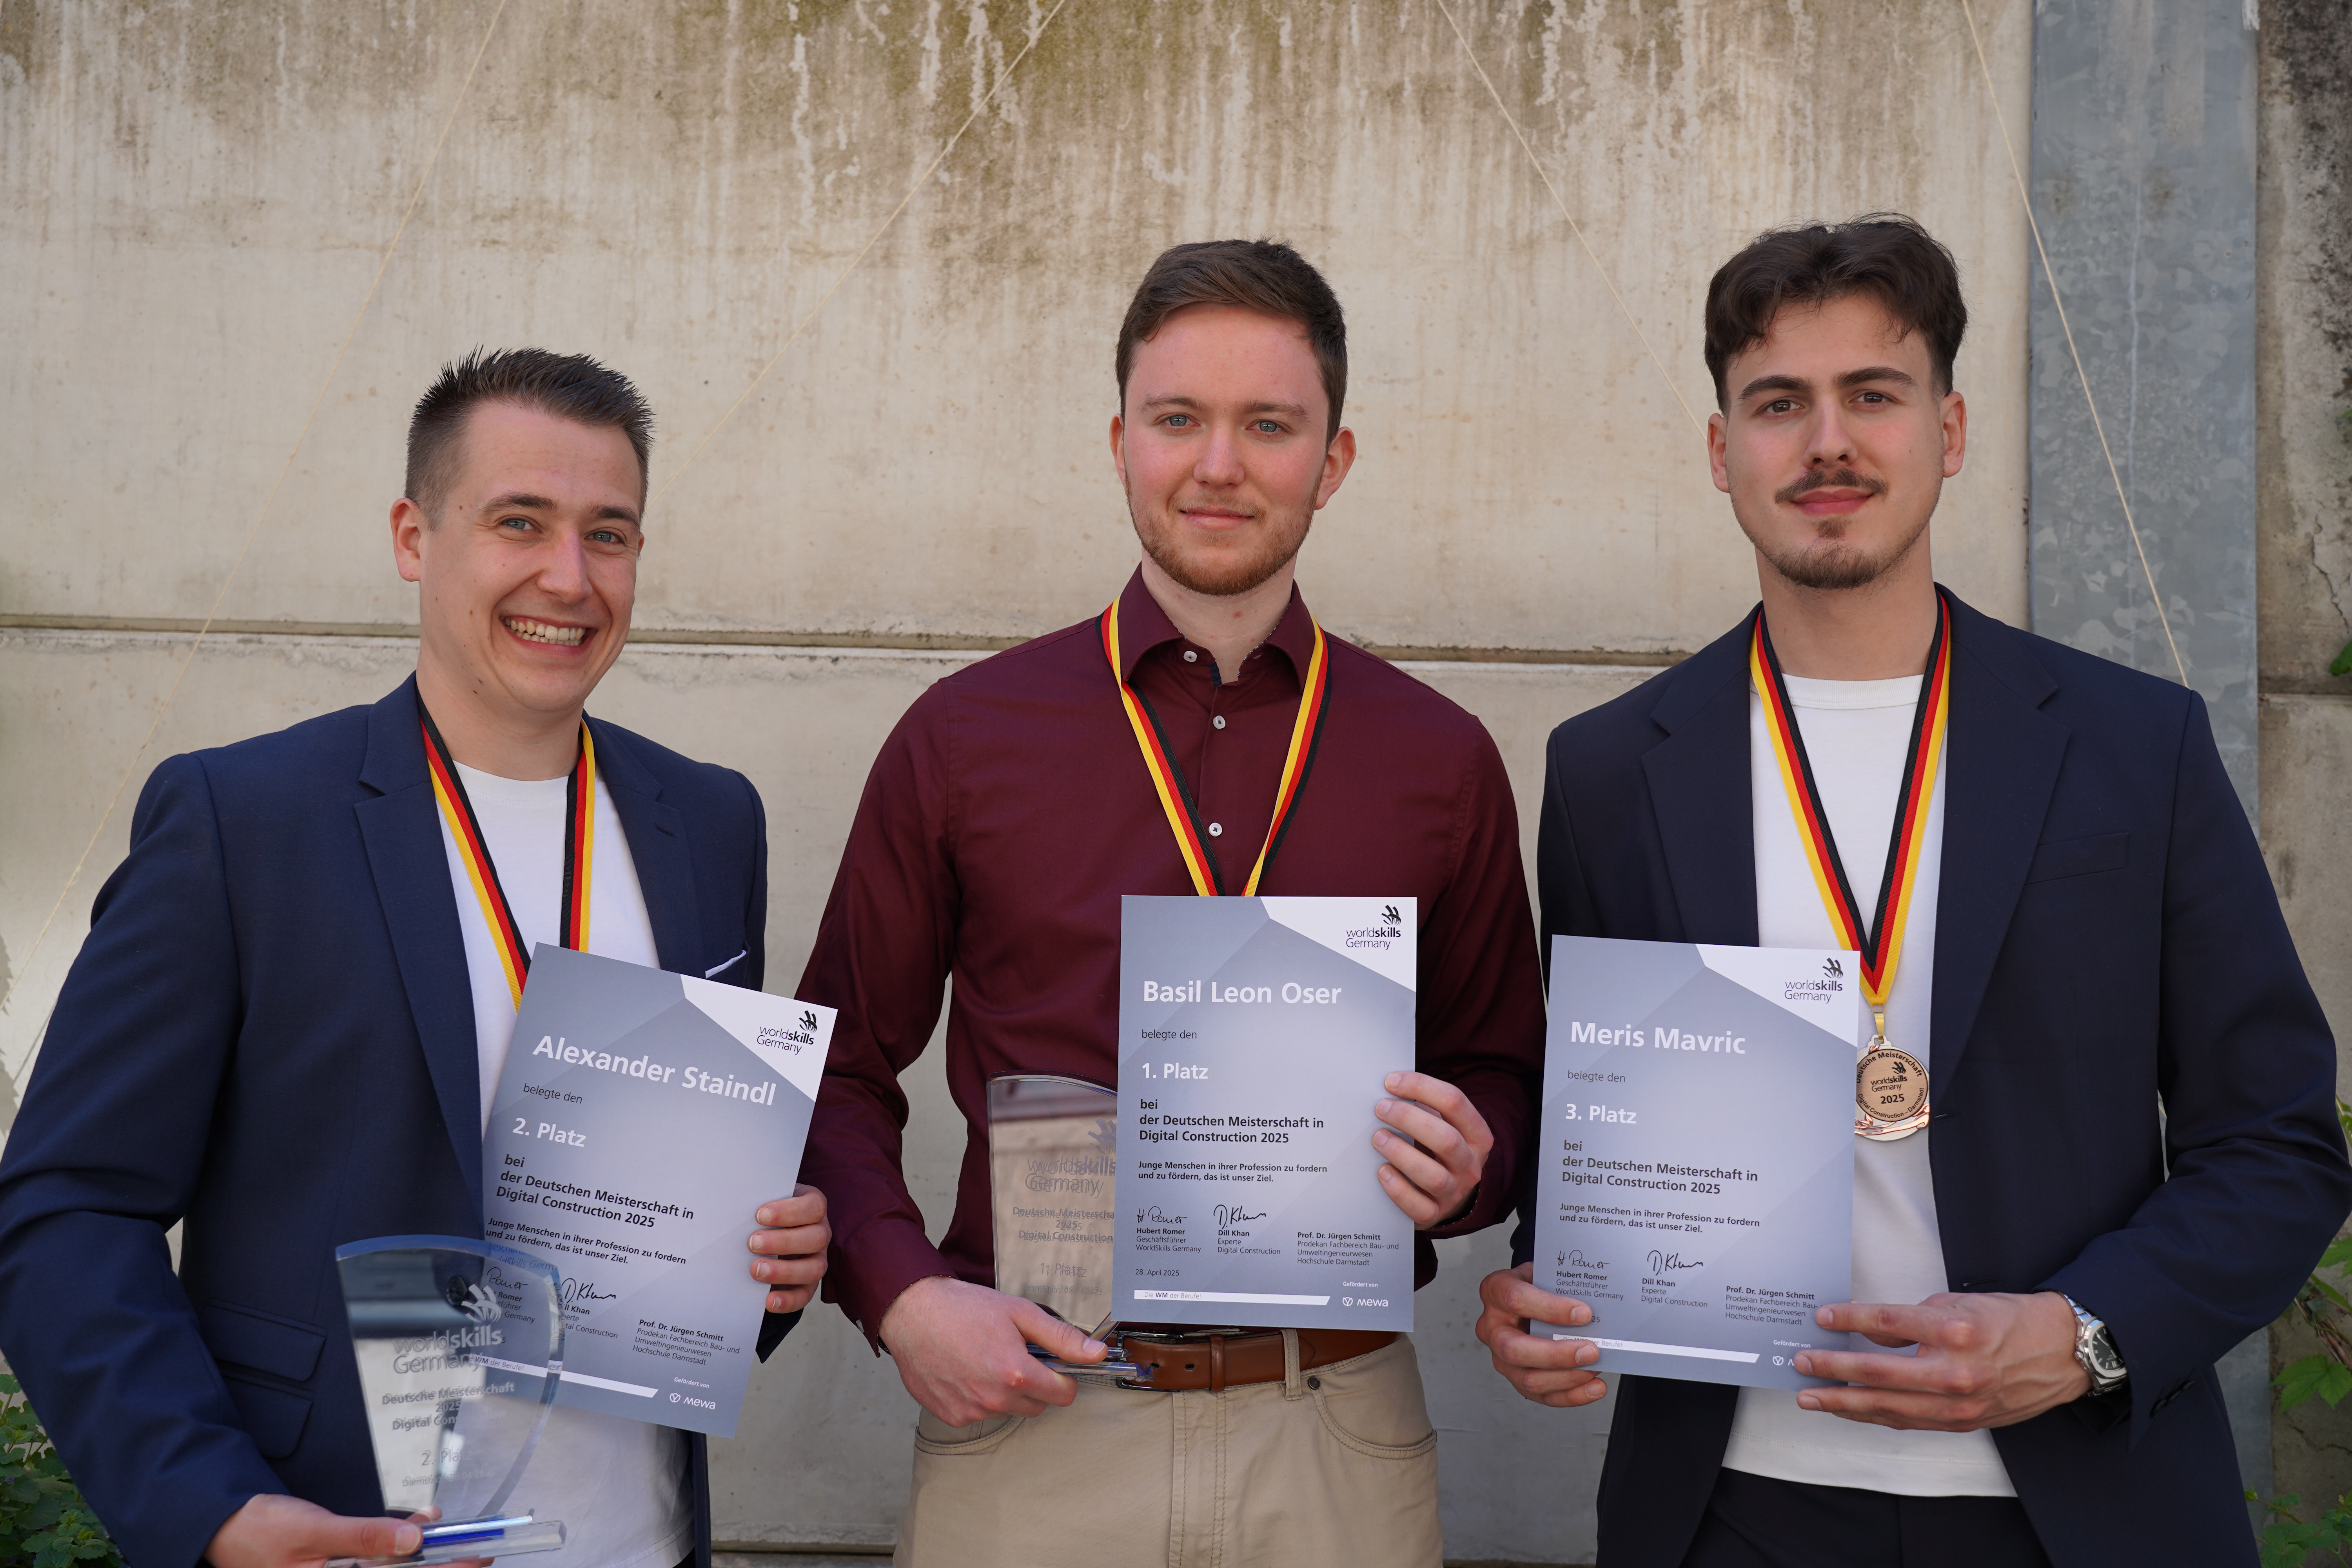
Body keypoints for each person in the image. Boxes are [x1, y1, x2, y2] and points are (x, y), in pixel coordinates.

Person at [1474, 215, 2352, 1567]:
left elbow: (2277, 1143)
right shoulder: (1610, 772)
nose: (1827, 443)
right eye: (1779, 403)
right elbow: (1607, 1136)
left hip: (2076, 1508)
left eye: (1872, 396)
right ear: (1721, 450)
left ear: (1949, 430)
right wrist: (1549, 1289)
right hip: (1727, 1512)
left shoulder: (2136, 746)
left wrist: (2086, 1334)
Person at [0, 350, 833, 1568]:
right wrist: (213, 1508)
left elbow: (687, 1227)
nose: (570, 577)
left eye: (609, 535)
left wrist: (765, 1266)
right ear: (413, 536)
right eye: (519, 522)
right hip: (344, 1535)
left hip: (639, 1544)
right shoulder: (246, 822)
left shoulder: (707, 823)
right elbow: (70, 1206)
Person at [795, 239, 1546, 1568]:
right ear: (1119, 442)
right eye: (1179, 418)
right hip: (1037, 1425)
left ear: (1335, 459)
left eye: (1270, 425)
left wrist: (1472, 1159)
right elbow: (835, 1066)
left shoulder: (1438, 759)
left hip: (1334, 1435)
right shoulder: (966, 739)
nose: (1218, 465)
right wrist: (903, 1297)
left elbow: (1507, 1072)